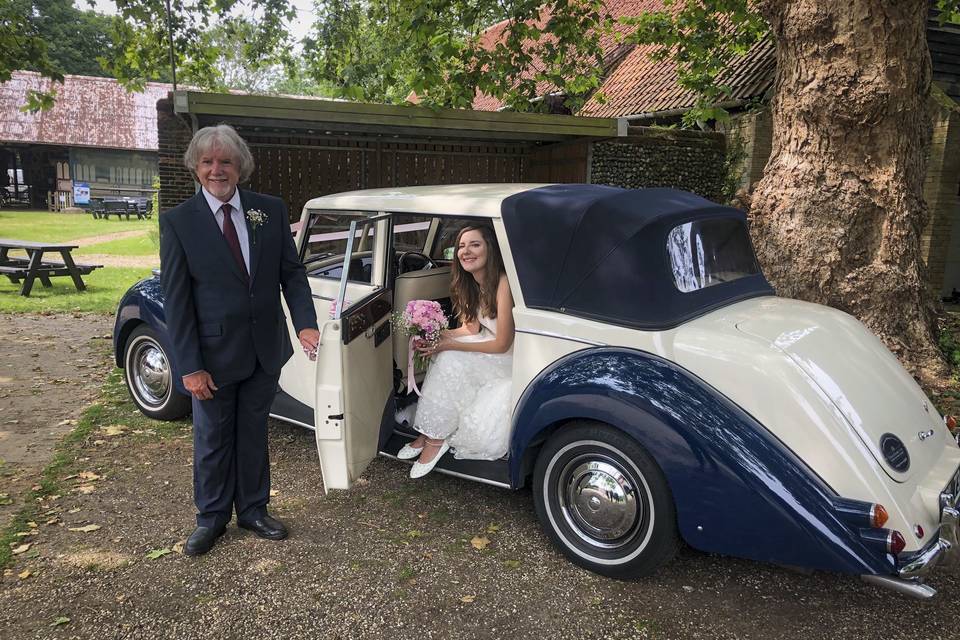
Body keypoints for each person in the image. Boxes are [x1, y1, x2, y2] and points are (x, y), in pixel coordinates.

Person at [160, 124, 320, 556]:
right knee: (212, 439)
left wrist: (305, 322)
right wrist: (189, 366)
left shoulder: (267, 210)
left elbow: (291, 272)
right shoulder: (178, 223)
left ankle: (253, 509)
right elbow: (177, 301)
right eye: (208, 161)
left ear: (240, 167)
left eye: (225, 161)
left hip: (264, 350)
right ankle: (210, 518)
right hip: (210, 359)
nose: (217, 169)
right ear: (196, 166)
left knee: (253, 434)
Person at [397, 224, 515, 478]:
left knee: (450, 356)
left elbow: (503, 343)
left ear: (490, 249)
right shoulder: (470, 283)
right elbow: (470, 329)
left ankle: (436, 441)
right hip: (486, 344)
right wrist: (433, 335)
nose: (466, 251)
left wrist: (449, 344)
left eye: (475, 244)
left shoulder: (503, 283)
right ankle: (428, 432)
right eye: (461, 246)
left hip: (507, 357)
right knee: (441, 352)